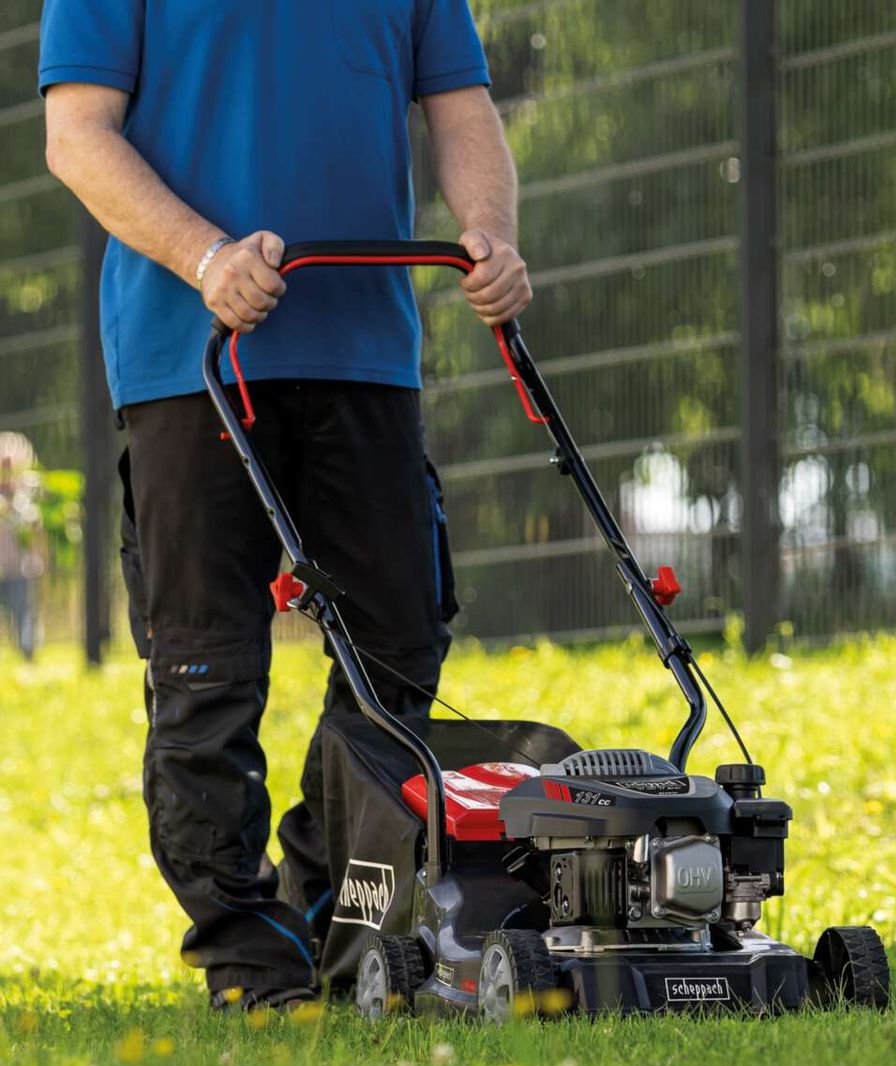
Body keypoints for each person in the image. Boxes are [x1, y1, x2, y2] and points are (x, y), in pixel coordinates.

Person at [40, 0, 531, 1009]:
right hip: (191, 360)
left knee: (397, 649)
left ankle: (330, 906)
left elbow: (463, 109)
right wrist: (206, 258)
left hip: (366, 349)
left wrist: (488, 233)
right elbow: (77, 137)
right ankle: (250, 957)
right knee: (206, 667)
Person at [0, 431, 43, 662]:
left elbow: (37, 529)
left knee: (23, 613)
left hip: (22, 568)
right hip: (2, 567)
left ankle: (28, 655)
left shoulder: (27, 496)